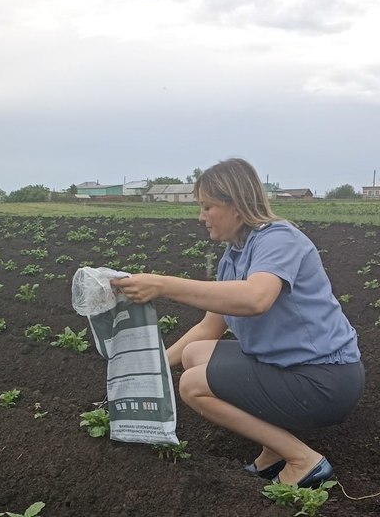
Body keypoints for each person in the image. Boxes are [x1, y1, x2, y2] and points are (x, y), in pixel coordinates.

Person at [110, 158, 364, 488]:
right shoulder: (234, 256)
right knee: (195, 354)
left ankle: (304, 460)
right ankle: (273, 451)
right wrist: (146, 368)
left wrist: (162, 285)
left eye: (208, 206)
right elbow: (208, 328)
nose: (201, 216)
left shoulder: (278, 239)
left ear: (237, 206)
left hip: (324, 380)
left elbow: (256, 298)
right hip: (290, 369)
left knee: (192, 385)